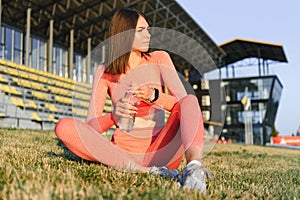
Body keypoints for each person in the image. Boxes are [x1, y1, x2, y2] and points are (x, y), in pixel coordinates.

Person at [55, 8, 211, 192]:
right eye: (141, 31)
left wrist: (155, 96)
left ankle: (194, 167)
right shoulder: (104, 71)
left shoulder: (160, 58)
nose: (148, 35)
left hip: (161, 149)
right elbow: (91, 127)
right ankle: (148, 172)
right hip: (121, 153)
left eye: (148, 29)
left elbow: (183, 106)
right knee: (64, 126)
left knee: (190, 100)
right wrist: (114, 116)